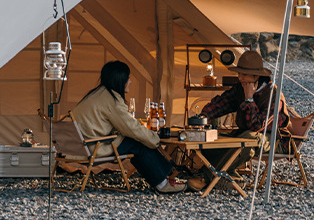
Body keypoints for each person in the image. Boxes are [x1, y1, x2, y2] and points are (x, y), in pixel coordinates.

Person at [73, 60, 186, 194]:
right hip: (93, 147)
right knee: (138, 142)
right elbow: (132, 128)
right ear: (120, 80)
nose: (130, 82)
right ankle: (163, 182)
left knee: (136, 142)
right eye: (128, 78)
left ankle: (165, 177)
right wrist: (155, 140)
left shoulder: (96, 94)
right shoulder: (111, 100)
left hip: (78, 147)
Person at [187, 50, 290, 191]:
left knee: (248, 140)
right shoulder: (240, 88)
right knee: (212, 137)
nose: (240, 77)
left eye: (244, 74)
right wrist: (202, 118)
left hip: (272, 139)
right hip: (245, 134)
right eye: (239, 73)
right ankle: (228, 177)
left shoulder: (273, 95)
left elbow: (257, 126)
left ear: (256, 76)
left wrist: (249, 99)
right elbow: (222, 103)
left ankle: (205, 177)